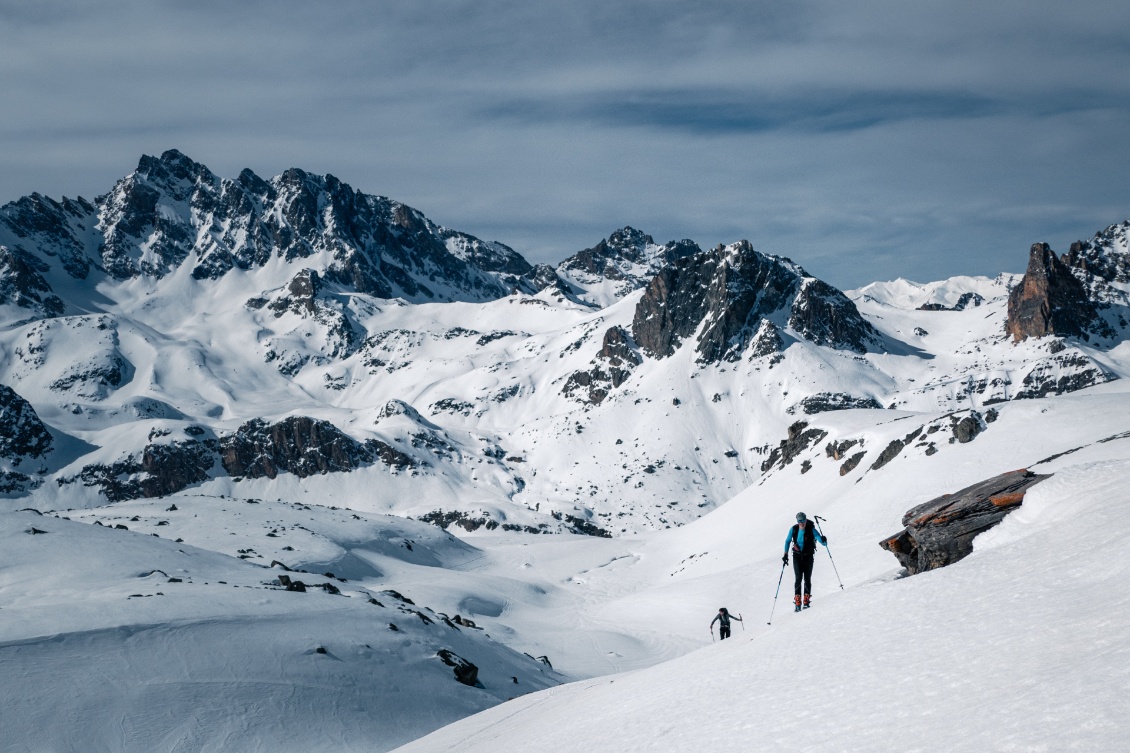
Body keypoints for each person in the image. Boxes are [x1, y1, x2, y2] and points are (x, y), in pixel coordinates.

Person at [782, 512, 827, 611]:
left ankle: (806, 600)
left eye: (803, 520)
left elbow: (821, 541)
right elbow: (787, 541)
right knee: (798, 578)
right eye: (799, 521)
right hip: (797, 557)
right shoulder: (793, 529)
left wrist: (823, 540)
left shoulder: (811, 529)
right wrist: (785, 554)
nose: (801, 523)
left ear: (806, 520)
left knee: (807, 578)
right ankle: (798, 601)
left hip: (808, 556)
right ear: (797, 521)